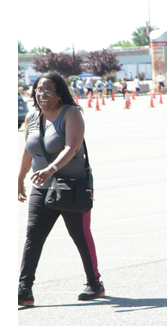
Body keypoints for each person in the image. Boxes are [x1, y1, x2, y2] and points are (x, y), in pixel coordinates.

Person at [17, 72, 104, 306]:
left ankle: (94, 283)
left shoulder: (71, 113)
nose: (42, 94)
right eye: (38, 89)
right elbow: (28, 150)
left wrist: (51, 169)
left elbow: (72, 146)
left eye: (48, 90)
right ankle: (24, 289)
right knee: (33, 236)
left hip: (72, 187)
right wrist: (20, 178)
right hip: (42, 187)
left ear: (59, 93)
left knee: (80, 236)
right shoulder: (32, 117)